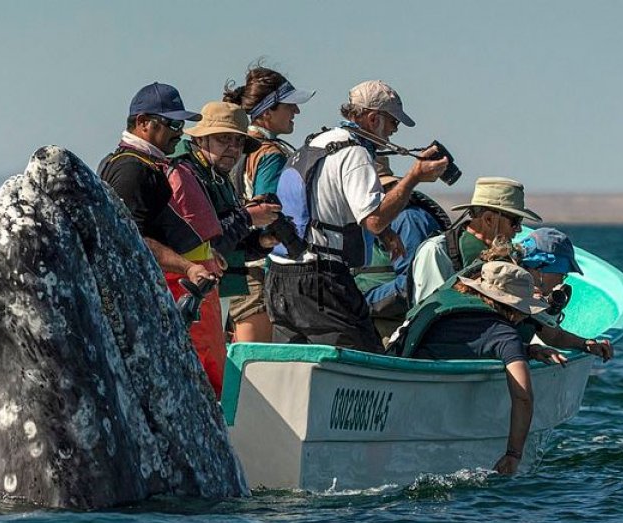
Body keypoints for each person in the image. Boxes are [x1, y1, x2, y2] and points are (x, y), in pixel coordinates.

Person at [265, 80, 448, 352]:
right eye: (392, 125)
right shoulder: (354, 153)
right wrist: (414, 177)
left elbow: (329, 203)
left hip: (280, 277)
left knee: (295, 367)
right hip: (321, 279)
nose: (392, 134)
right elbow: (373, 219)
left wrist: (386, 234)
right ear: (373, 119)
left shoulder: (316, 142)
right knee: (368, 365)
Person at [97, 82, 227, 397]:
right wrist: (188, 267)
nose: (178, 133)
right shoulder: (133, 171)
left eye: (181, 125)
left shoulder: (135, 164)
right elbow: (132, 238)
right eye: (171, 125)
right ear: (143, 122)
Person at [392, 261, 552, 475]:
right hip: (426, 413)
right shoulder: (504, 334)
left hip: (397, 396)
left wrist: (527, 350)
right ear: (515, 307)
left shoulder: (444, 302)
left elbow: (464, 341)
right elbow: (523, 396)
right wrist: (514, 454)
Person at [169, 101, 281, 350]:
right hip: (186, 290)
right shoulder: (187, 173)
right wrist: (248, 218)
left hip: (208, 291)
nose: (233, 148)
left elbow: (224, 245)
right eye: (223, 139)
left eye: (239, 142)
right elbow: (206, 241)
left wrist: (261, 243)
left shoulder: (216, 176)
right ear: (201, 140)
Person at [223, 66, 315, 342]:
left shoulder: (232, 148)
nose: (295, 112)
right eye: (289, 106)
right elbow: (268, 210)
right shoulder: (271, 154)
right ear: (266, 113)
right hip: (258, 272)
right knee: (255, 364)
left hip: (233, 264)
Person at [354, 153, 452, 344]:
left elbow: (410, 284)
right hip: (370, 320)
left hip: (393, 328)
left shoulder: (408, 220)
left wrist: (360, 302)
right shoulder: (380, 221)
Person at [410, 177, 542, 305]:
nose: (518, 229)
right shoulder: (436, 251)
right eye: (515, 221)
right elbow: (430, 311)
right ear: (489, 219)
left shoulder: (507, 257)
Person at [516, 228, 614, 361]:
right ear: (541, 270)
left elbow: (554, 336)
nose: (562, 280)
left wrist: (585, 344)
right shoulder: (508, 289)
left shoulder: (528, 295)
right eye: (562, 274)